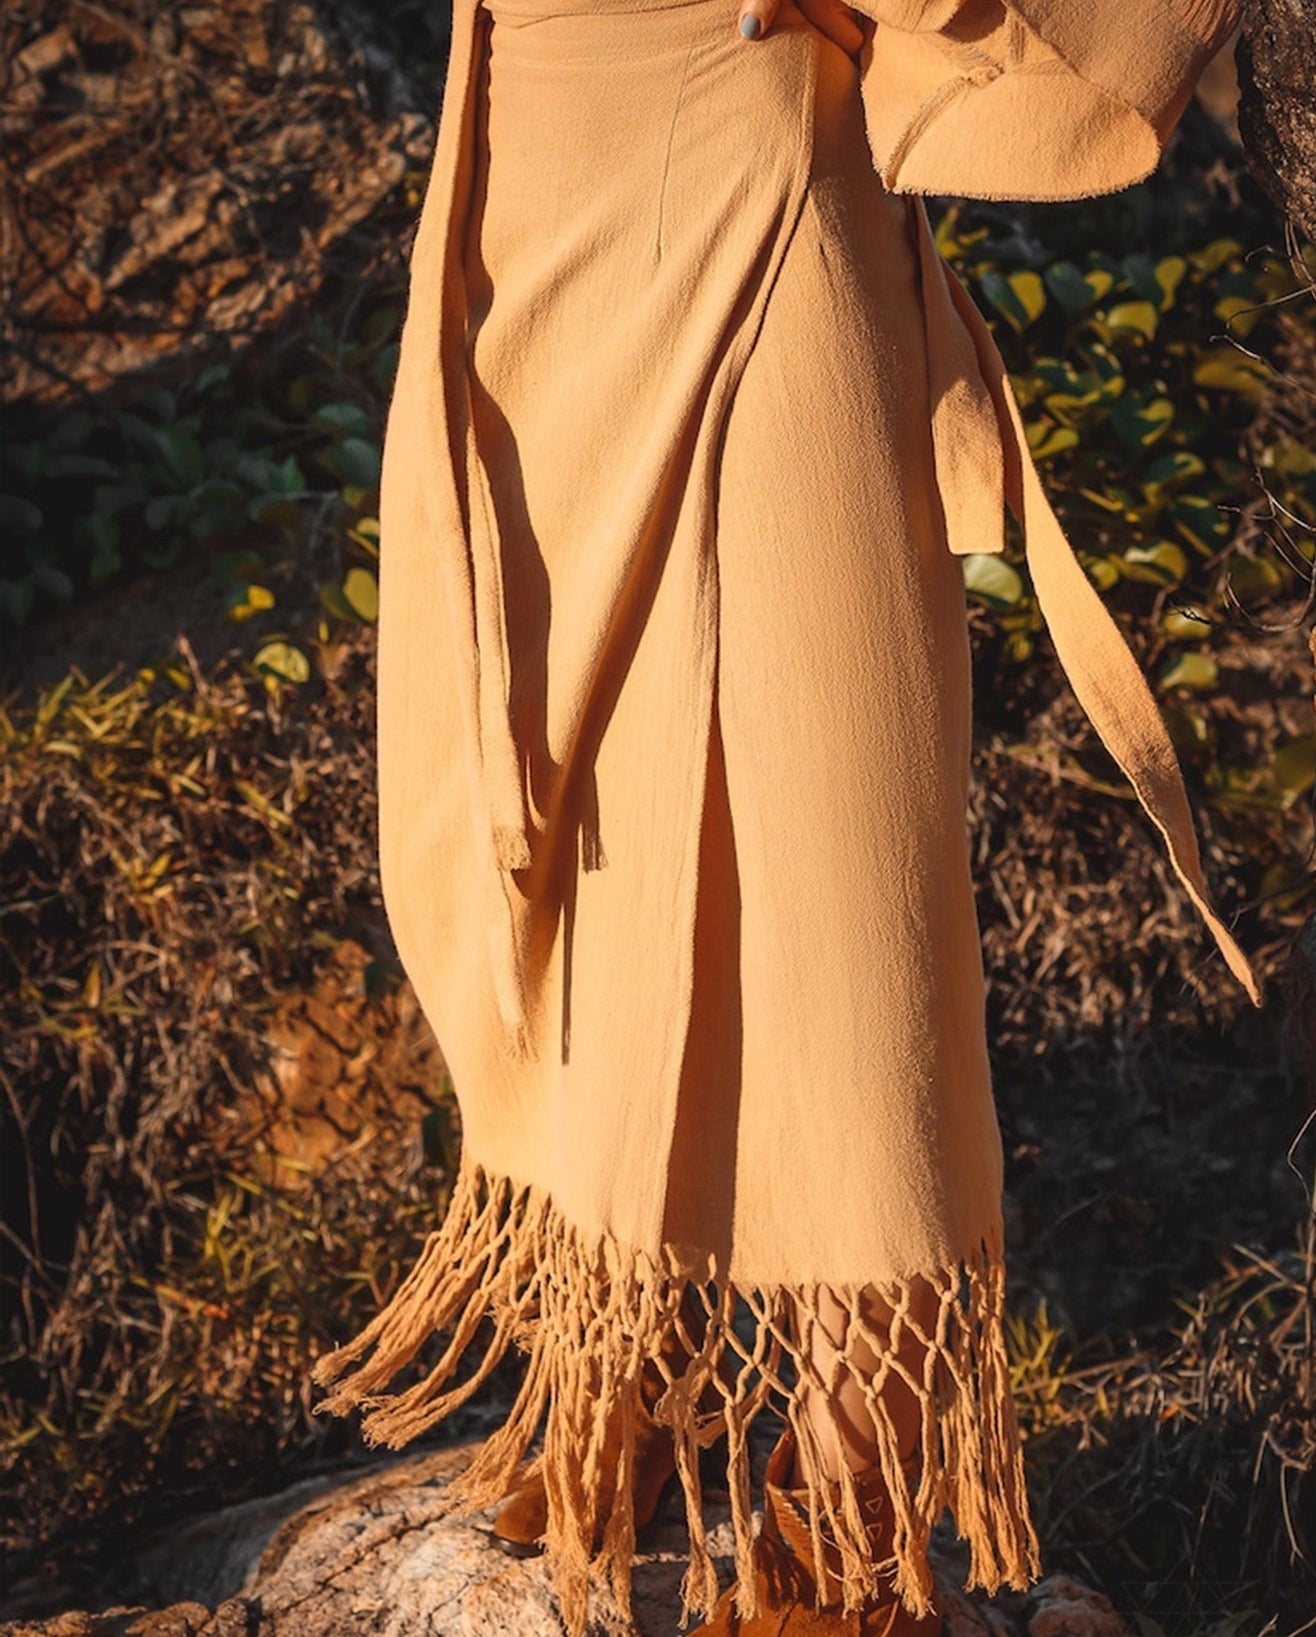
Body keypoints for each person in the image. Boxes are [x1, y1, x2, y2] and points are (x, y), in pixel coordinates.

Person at [311, 0, 1261, 1632]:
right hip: (542, 185)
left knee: (828, 855)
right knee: (584, 815)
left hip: (723, 191)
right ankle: (632, 1390)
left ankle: (846, 1497)